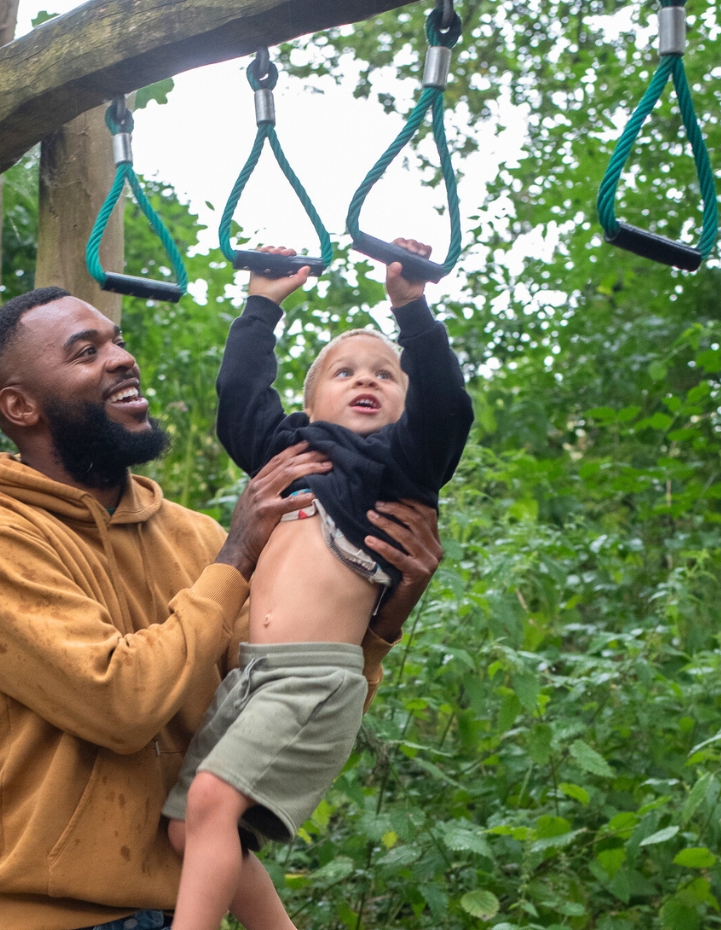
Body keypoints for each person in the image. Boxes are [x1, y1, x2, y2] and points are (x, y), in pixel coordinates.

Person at [0, 288, 446, 930]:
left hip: (186, 905)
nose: (121, 359)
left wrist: (386, 617)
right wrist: (234, 559)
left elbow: (292, 691)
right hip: (53, 918)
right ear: (20, 406)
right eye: (87, 352)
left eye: (117, 341)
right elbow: (119, 704)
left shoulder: (198, 537)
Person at [165, 240, 473, 930]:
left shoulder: (399, 468)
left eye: (386, 375)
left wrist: (412, 310)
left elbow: (446, 409)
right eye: (344, 372)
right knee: (189, 828)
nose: (366, 380)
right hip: (248, 679)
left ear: (404, 402)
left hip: (314, 677)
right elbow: (240, 396)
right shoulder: (290, 453)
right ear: (309, 403)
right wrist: (262, 302)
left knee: (214, 800)